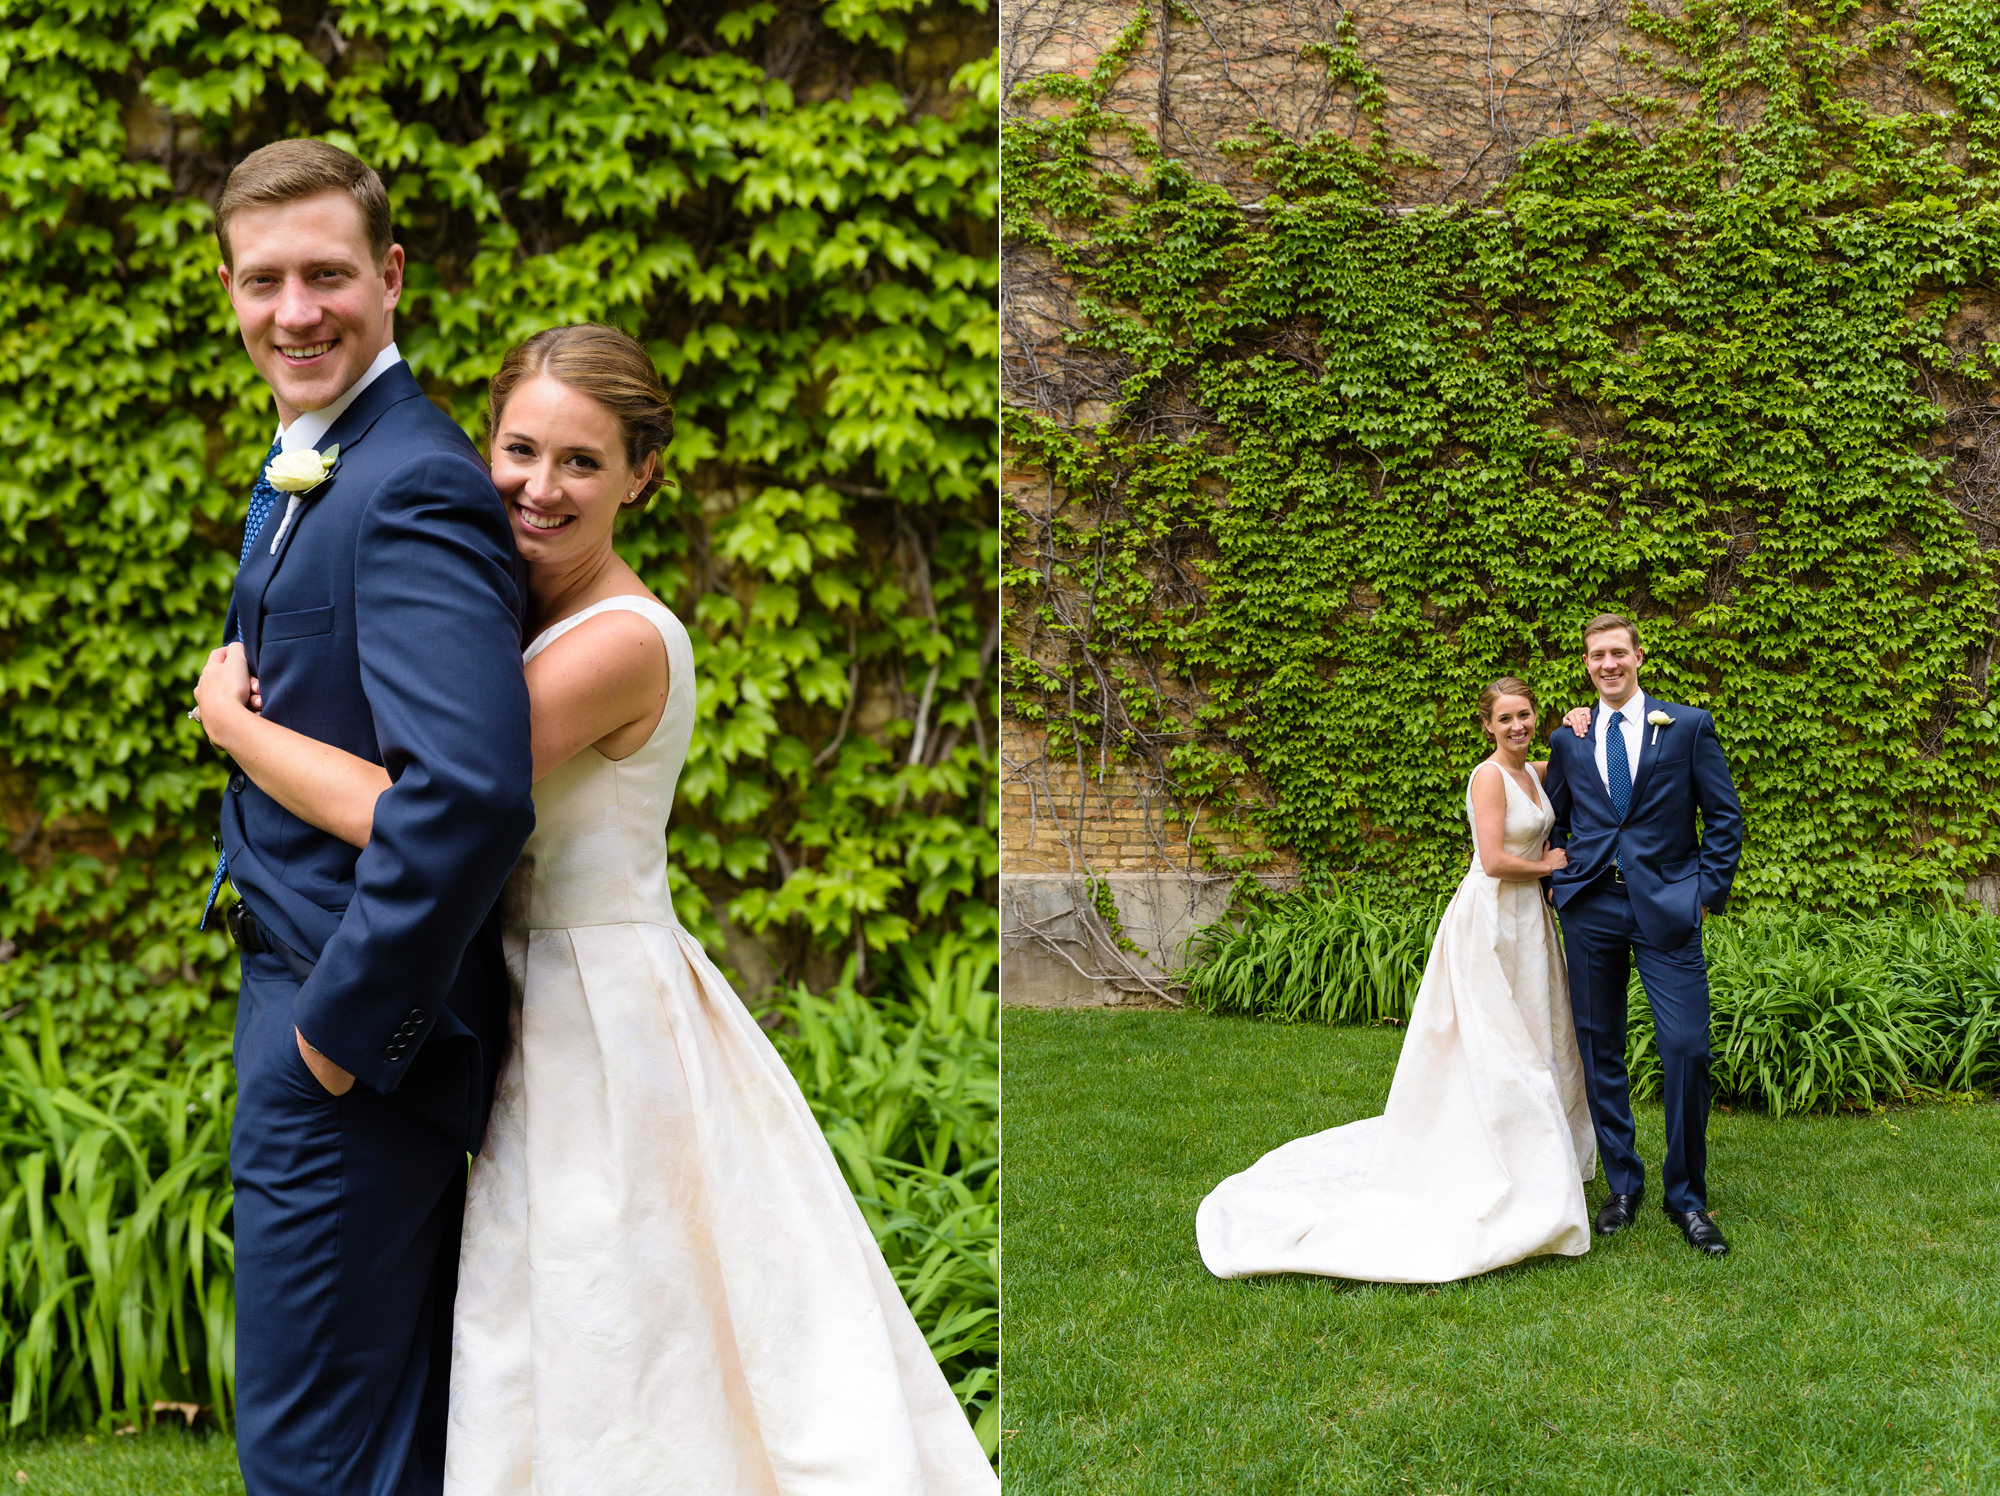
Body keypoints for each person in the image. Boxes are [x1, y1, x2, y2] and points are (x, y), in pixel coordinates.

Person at [198, 323, 999, 1493]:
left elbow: (425, 812)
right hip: (522, 989)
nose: (539, 485)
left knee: (608, 1326)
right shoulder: (500, 611)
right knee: (538, 1319)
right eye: (518, 449)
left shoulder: (614, 642)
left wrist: (236, 728)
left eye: (581, 460)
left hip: (596, 1014)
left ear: (642, 474)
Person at [192, 139, 535, 1495]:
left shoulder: (411, 481)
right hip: (303, 1001)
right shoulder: (317, 454)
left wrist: (341, 1039)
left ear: (389, 278)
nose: (296, 310)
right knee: (376, 1444)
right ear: (227, 290)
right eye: (264, 280)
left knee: (312, 1457)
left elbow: (468, 795)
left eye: (327, 275)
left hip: (344, 1036)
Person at [1196, 678, 1597, 1284]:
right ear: (1486, 725)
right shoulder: (1489, 777)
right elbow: (1493, 860)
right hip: (1490, 920)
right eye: (1505, 718)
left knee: (1539, 1032)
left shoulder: (1533, 772)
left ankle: (1545, 1155)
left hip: (1529, 927)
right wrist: (1550, 863)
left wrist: (1574, 724)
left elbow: (1571, 756)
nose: (1517, 726)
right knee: (1502, 1047)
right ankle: (1507, 1164)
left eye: (1526, 715)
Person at [1543, 613, 1744, 1257]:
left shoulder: (1686, 726)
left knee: (1686, 1048)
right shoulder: (1570, 737)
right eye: (1597, 655)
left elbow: (1724, 816)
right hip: (1592, 909)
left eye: (1618, 653)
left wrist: (1704, 896)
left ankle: (1686, 1195)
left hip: (1668, 910)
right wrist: (1557, 882)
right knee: (1599, 1045)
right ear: (1586, 663)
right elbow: (1554, 818)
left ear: (1637, 656)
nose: (1608, 664)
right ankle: (1622, 1183)